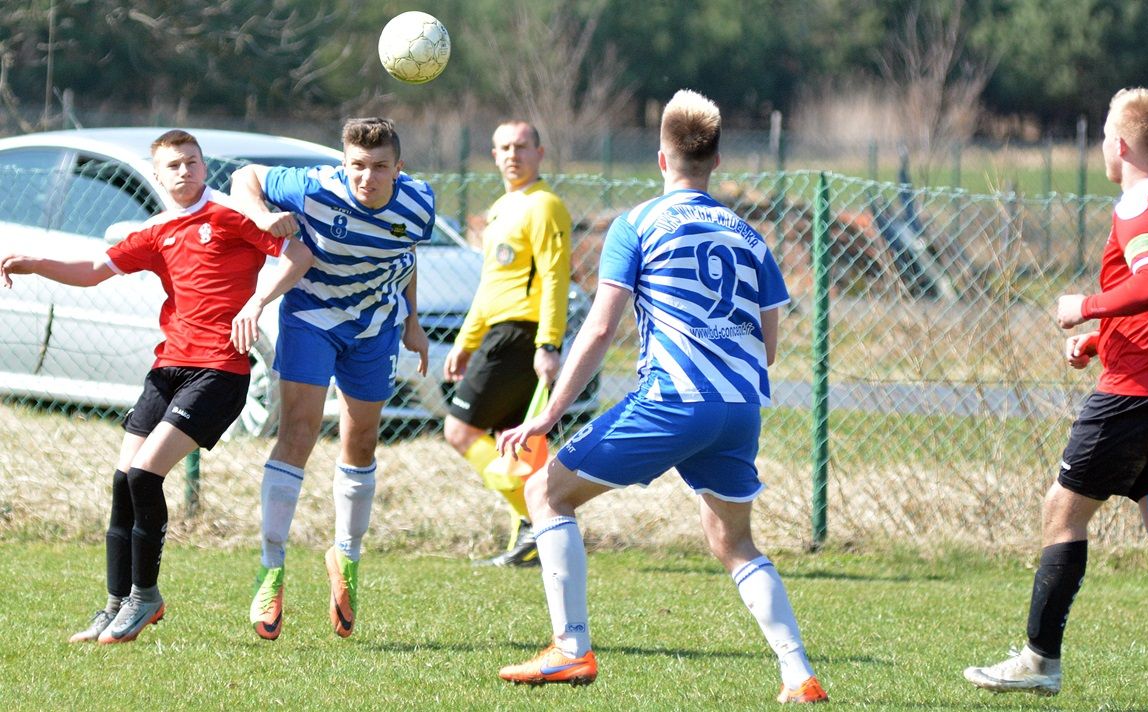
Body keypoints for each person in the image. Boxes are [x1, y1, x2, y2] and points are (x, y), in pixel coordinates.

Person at [494, 90, 828, 704]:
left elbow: (599, 328)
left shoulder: (638, 223)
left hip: (675, 398)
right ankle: (797, 671)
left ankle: (570, 649)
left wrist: (549, 413)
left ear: (661, 158)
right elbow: (769, 347)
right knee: (734, 542)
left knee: (545, 491)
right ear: (716, 161)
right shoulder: (750, 237)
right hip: (739, 409)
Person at [0, 129, 313, 645]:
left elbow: (298, 256)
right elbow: (95, 270)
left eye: (192, 162)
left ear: (203, 166)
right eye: (174, 165)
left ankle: (147, 597)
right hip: (167, 370)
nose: (185, 171)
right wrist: (35, 263)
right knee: (124, 482)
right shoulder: (158, 229)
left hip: (219, 372)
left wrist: (255, 304)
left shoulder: (231, 216)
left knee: (146, 476)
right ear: (158, 174)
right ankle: (114, 604)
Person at [964, 87, 1148, 696]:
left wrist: (1084, 309)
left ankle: (1039, 662)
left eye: (1101, 137)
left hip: (1133, 396)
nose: (1100, 147)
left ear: (1119, 146)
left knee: (1061, 511)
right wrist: (1102, 340)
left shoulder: (1139, 208)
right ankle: (1038, 661)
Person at [231, 117, 432, 641]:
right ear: (344, 164)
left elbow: (405, 254)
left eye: (380, 167)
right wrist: (263, 216)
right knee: (298, 432)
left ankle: (346, 557)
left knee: (361, 441)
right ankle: (271, 570)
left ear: (398, 169)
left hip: (374, 326)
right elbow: (244, 177)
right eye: (358, 166)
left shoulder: (419, 204)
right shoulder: (314, 186)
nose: (367, 177)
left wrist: (412, 321)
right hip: (312, 316)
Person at [442, 120, 572, 567]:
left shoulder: (545, 206)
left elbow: (556, 278)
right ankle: (533, 536)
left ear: (540, 152)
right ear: (493, 155)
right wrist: (465, 341)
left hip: (522, 335)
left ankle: (540, 522)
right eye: (503, 147)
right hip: (497, 333)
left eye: (521, 146)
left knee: (458, 430)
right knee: (513, 445)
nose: (512, 154)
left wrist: (549, 343)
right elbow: (489, 285)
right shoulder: (499, 209)